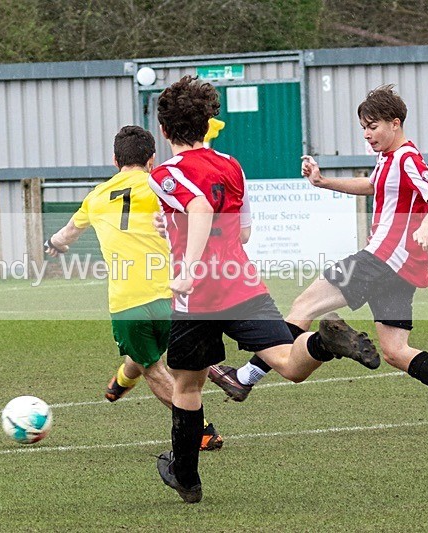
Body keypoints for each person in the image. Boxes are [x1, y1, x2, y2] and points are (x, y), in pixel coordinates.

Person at [208, 84, 428, 433]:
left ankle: (245, 376)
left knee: (303, 307)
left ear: (395, 123)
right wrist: (323, 181)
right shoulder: (389, 158)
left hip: (381, 259)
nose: (367, 134)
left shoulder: (406, 157)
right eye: (363, 128)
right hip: (399, 269)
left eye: (373, 126)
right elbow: (372, 185)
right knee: (395, 350)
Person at [149, 76, 377, 504]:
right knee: (290, 364)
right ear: (207, 122)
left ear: (164, 129)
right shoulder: (231, 165)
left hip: (198, 298)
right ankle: (326, 345)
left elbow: (198, 207)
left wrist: (189, 266)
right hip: (243, 285)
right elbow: (245, 232)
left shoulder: (165, 173)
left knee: (187, 387)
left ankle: (187, 479)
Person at [43, 125, 223, 452]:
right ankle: (129, 384)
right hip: (174, 293)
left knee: (152, 367)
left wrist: (55, 244)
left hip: (128, 301)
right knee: (170, 357)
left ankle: (200, 429)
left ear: (115, 160)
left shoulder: (95, 197)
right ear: (153, 159)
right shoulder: (162, 185)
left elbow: (66, 234)